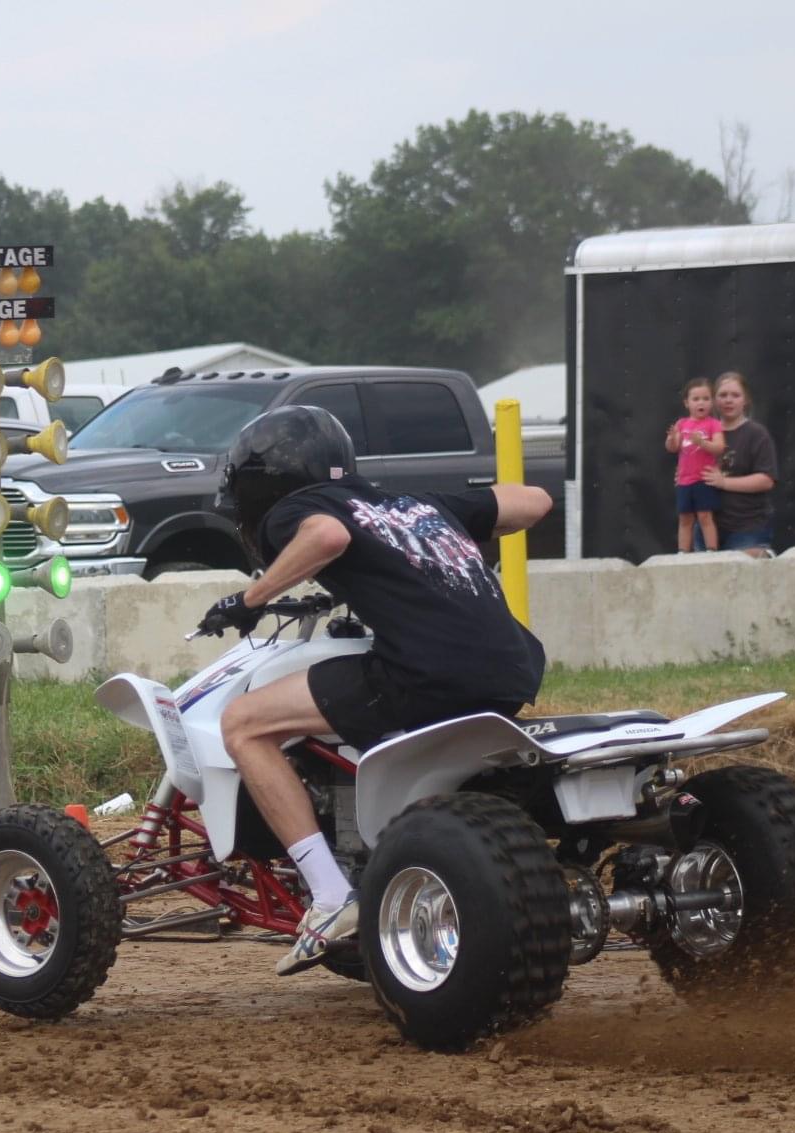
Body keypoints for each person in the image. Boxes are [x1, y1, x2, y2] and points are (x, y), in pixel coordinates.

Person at [197, 405, 553, 975]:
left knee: (243, 722)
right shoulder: (416, 506)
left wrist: (250, 599)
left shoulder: (299, 508)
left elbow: (329, 535)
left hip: (426, 673)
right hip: (511, 671)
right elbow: (535, 502)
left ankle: (330, 898)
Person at [700, 370, 778, 557]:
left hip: (747, 526)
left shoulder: (757, 434)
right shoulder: (702, 434)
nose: (729, 400)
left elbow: (766, 480)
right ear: (714, 400)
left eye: (735, 395)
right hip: (706, 527)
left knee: (742, 570)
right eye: (723, 395)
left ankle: (763, 555)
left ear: (746, 400)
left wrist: (724, 482)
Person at [665, 377, 724, 552]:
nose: (701, 403)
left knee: (705, 516)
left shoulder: (714, 424)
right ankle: (683, 552)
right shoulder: (682, 424)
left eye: (706, 399)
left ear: (712, 402)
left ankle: (711, 551)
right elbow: (672, 448)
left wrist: (702, 443)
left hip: (703, 479)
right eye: (696, 399)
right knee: (685, 518)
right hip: (684, 481)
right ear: (687, 403)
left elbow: (719, 448)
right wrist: (671, 438)